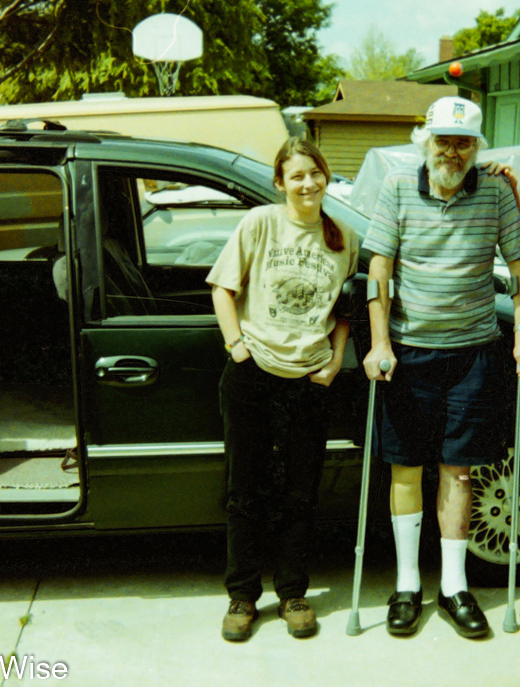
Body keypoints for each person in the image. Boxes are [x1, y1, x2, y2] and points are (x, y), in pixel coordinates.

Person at [362, 96, 520, 639]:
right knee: (406, 468)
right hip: (408, 352)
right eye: (444, 140)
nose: (453, 151)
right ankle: (408, 585)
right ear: (426, 142)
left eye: (464, 141)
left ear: (476, 146)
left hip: (472, 353)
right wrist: (377, 343)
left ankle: (455, 587)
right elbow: (379, 269)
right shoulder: (396, 187)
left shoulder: (493, 191)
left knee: (459, 470)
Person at [207, 137, 358, 642]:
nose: (307, 183)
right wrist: (237, 348)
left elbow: (346, 309)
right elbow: (223, 288)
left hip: (310, 380)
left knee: (300, 492)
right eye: (296, 176)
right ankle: (243, 596)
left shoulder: (343, 236)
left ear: (326, 176)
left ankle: (293, 592)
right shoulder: (260, 224)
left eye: (315, 173)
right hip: (253, 374)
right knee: (244, 491)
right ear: (280, 183)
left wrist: (335, 361)